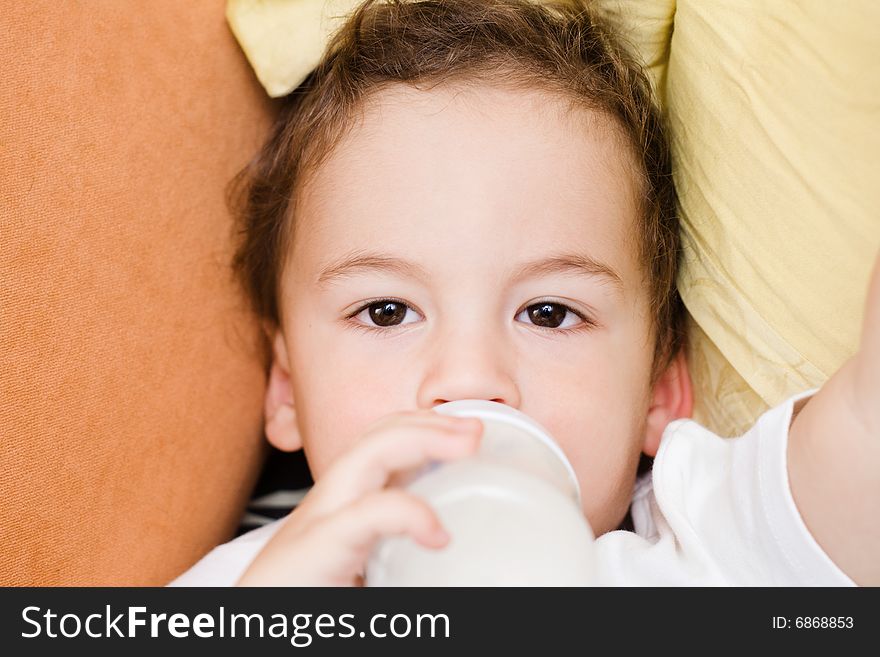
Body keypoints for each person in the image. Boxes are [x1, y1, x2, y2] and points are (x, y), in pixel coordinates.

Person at [170, 0, 877, 586]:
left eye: (549, 312)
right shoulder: (260, 584)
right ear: (289, 387)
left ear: (660, 390)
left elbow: (856, 453)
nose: (472, 377)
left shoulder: (692, 552)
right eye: (386, 310)